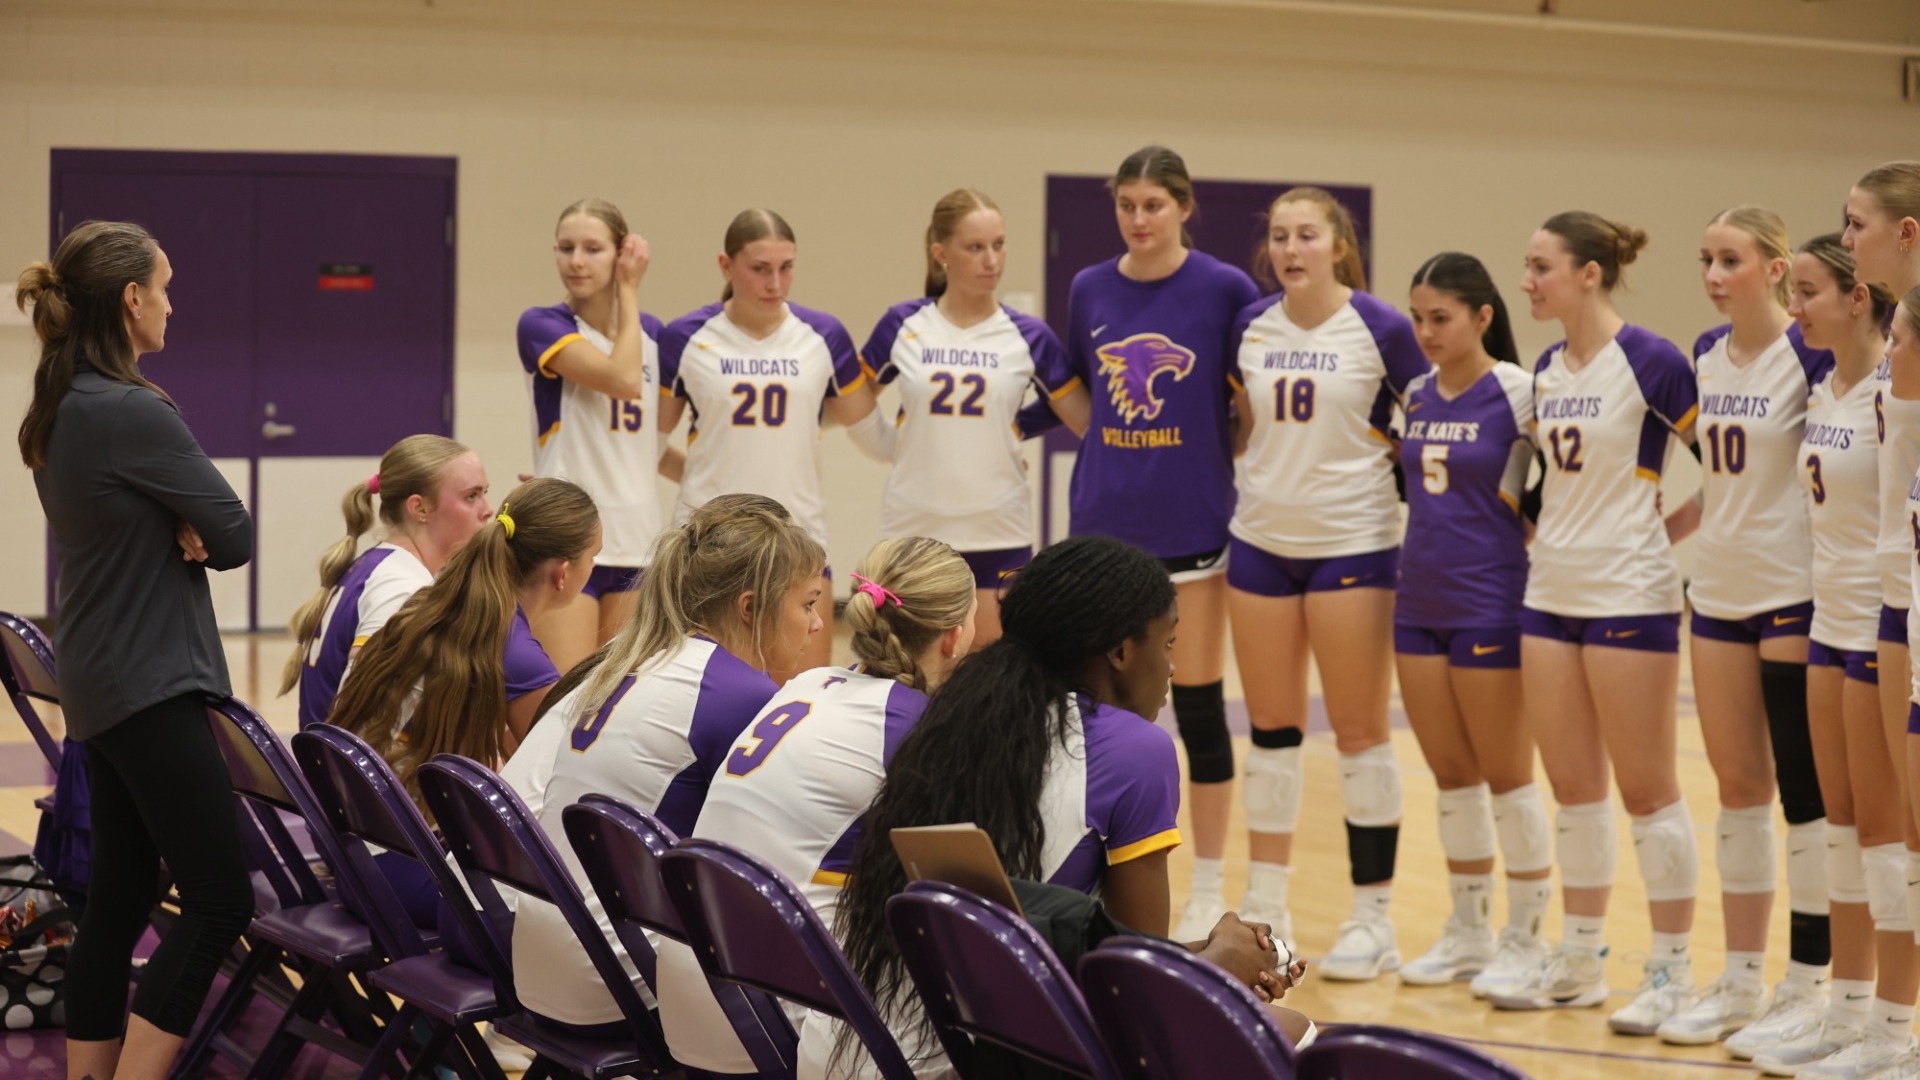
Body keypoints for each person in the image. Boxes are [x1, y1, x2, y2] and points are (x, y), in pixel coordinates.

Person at [19, 221, 255, 1080]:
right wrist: (186, 520)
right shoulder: (130, 407)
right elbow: (233, 533)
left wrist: (175, 518)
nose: (171, 303)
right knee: (220, 900)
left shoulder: (63, 403)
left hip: (102, 675)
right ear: (131, 300)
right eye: (164, 285)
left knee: (117, 901)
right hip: (150, 680)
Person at [820, 535, 1183, 1078]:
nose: (1174, 668)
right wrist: (1227, 961)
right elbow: (1134, 981)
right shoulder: (1137, 750)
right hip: (949, 1058)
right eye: (1170, 643)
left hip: (841, 1041)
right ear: (1121, 652)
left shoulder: (949, 711)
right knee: (1285, 1032)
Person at [1490, 213, 1701, 1037]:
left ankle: (1672, 973)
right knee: (1574, 792)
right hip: (1551, 595)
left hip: (1630, 594)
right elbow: (1533, 471)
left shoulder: (1652, 361)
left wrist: (1671, 529)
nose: (1528, 282)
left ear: (1589, 274)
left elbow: (1733, 466)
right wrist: (1533, 523)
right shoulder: (1545, 366)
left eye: (1540, 267)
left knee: (1648, 794)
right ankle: (1579, 959)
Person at [1042, 147, 1262, 938]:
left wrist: (1200, 458)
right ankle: (1089, 871)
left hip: (1191, 529)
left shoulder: (1226, 290)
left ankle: (1205, 882)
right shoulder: (1089, 287)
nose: (1139, 220)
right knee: (1094, 717)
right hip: (1103, 525)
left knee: (1198, 711)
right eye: (1127, 205)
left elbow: (1245, 410)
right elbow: (1081, 394)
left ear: (1184, 208)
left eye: (1154, 205)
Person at [502, 493, 826, 1029]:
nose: (817, 626)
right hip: (611, 981)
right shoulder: (736, 693)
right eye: (808, 604)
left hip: (538, 961)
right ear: (749, 608)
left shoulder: (638, 658)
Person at [655, 535, 976, 1074]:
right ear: (954, 637)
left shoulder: (808, 683)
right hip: (760, 1015)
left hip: (687, 994)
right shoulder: (923, 729)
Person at [1223, 186, 1427, 978]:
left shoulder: (1381, 328)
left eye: (1307, 235)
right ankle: (1265, 908)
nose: (1291, 249)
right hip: (1261, 543)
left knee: (1360, 734)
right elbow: (1245, 427)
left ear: (1339, 245)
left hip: (1355, 545)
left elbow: (1434, 418)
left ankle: (1373, 918)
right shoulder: (1250, 325)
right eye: (1279, 236)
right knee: (1271, 734)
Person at [1656, 207, 1832, 1047]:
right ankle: (1739, 980)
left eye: (1731, 259)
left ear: (1775, 266)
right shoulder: (1702, 354)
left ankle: (1812, 982)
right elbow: (1709, 478)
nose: (1715, 275)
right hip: (1715, 590)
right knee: (1737, 796)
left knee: (1805, 798)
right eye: (1706, 260)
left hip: (1791, 589)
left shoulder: (1810, 351)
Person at [1741, 234, 1891, 1072]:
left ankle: (1893, 1028)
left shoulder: (1891, 390)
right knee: (1840, 829)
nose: (1793, 310)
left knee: (1882, 836)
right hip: (1828, 626)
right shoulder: (1824, 388)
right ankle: (1848, 1007)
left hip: (1883, 630)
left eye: (1807, 293)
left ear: (1858, 296)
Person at [1389, 252, 1554, 994]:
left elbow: (1542, 493)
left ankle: (1526, 935)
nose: (1426, 332)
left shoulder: (1521, 394)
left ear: (1483, 317)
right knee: (1451, 776)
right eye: (1418, 318)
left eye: (1441, 319)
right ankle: (1467, 930)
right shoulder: (1417, 395)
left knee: (1508, 777)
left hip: (1491, 598)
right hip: (1418, 601)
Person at [658, 209, 890, 674]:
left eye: (786, 267)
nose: (776, 282)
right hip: (709, 544)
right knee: (703, 689)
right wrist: (702, 474)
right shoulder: (686, 337)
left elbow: (878, 439)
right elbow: (647, 443)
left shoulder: (823, 335)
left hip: (798, 539)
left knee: (798, 694)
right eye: (760, 269)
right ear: (726, 266)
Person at [861, 189, 1076, 646]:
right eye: (975, 247)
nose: (991, 260)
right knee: (912, 671)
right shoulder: (902, 324)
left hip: (997, 525)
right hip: (914, 524)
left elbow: (1082, 416)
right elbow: (850, 402)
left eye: (998, 245)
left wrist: (1019, 427)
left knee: (989, 673)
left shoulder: (1029, 335)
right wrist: (888, 447)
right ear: (941, 254)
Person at [328, 477, 598, 807]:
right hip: (403, 838)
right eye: (593, 556)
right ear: (563, 572)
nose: (594, 567)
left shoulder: (446, 602)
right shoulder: (515, 650)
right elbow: (564, 771)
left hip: (353, 819)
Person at [518, 198, 679, 674]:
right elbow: (623, 378)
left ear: (621, 252)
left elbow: (650, 443)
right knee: (564, 697)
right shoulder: (543, 324)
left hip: (638, 536)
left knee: (621, 698)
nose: (576, 261)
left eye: (592, 248)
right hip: (568, 538)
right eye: (566, 248)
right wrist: (630, 292)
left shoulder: (653, 334)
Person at [280, 434, 493, 728]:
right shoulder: (399, 587)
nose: (488, 509)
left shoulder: (379, 566)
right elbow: (356, 726)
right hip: (349, 772)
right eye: (472, 496)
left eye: (485, 492)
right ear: (420, 508)